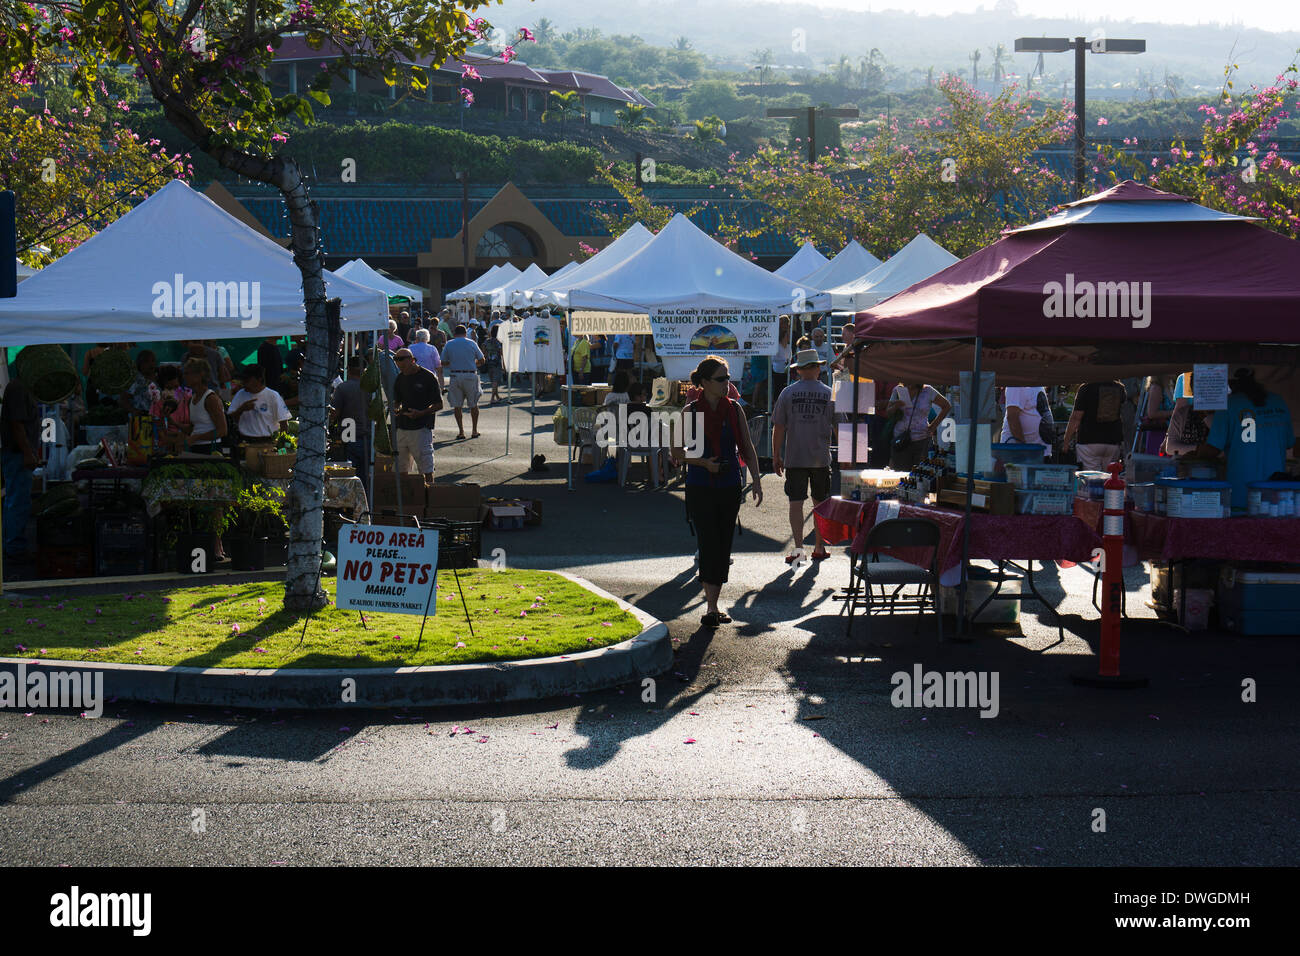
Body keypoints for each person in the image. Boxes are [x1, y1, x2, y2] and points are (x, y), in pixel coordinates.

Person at [673, 356, 764, 628]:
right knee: (708, 541)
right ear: (704, 383)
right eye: (721, 379)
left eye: (728, 378)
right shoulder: (689, 413)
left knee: (723, 543)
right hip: (701, 485)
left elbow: (746, 447)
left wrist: (757, 480)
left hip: (729, 485)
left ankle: (713, 606)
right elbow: (676, 453)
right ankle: (711, 606)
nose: (728, 383)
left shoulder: (734, 409)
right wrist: (702, 463)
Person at [1198, 368, 1299, 512]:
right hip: (1276, 495)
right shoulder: (1278, 401)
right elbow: (1289, 442)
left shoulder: (1228, 405)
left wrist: (1197, 452)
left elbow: (1212, 450)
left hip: (1241, 494)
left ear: (1230, 384)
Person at [773, 348, 836, 563]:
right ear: (818, 368)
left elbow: (779, 427)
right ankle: (819, 546)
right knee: (820, 503)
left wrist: (775, 455)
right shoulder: (829, 393)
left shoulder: (788, 393)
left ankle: (799, 548)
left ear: (798, 370)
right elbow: (842, 426)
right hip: (820, 457)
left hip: (795, 457)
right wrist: (847, 456)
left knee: (795, 502)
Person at [1, 369, 41, 561]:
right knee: (17, 500)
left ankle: (13, 544)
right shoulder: (18, 388)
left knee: (17, 499)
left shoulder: (23, 387)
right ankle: (14, 547)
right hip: (17, 454)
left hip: (20, 453)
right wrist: (27, 453)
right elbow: (17, 424)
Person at [392, 347, 442, 482]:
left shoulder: (428, 377)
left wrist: (421, 413)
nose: (399, 363)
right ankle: (407, 498)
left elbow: (439, 404)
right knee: (401, 468)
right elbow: (397, 401)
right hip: (402, 427)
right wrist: (395, 408)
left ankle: (429, 496)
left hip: (421, 428)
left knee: (426, 468)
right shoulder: (400, 378)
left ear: (412, 360)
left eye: (402, 360)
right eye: (396, 360)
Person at [887, 381, 951, 471]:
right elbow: (888, 413)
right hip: (900, 440)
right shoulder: (897, 390)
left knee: (920, 473)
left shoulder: (928, 390)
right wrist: (896, 405)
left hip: (922, 440)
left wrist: (933, 426)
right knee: (900, 474)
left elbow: (947, 406)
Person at [1063, 379, 1126, 470]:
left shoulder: (1086, 388)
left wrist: (1066, 442)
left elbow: (1076, 418)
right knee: (1109, 478)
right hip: (1113, 440)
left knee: (1091, 479)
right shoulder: (1120, 388)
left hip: (1089, 440)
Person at [330, 355, 372, 491]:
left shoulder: (343, 388)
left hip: (348, 432)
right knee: (364, 475)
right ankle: (364, 502)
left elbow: (335, 412)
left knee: (348, 474)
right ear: (364, 371)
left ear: (348, 370)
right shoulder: (371, 389)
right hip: (366, 433)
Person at [228, 363, 291, 451]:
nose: (244, 383)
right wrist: (242, 409)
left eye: (247, 380)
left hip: (268, 443)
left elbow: (284, 422)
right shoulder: (240, 394)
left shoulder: (272, 395)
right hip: (245, 443)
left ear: (259, 379)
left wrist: (282, 446)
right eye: (243, 380)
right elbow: (231, 418)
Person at [441, 324, 486, 439]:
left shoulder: (449, 344)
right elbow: (482, 359)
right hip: (470, 374)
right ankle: (474, 430)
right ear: (465, 333)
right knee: (473, 404)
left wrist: (453, 364)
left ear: (455, 334)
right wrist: (473, 363)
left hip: (455, 375)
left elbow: (443, 362)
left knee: (457, 405)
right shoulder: (471, 343)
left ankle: (461, 431)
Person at [180, 357, 228, 454]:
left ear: (199, 375)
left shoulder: (211, 399)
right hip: (195, 449)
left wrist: (197, 437)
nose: (184, 377)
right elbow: (195, 428)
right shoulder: (192, 399)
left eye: (187, 373)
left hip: (210, 449)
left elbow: (222, 431)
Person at [1001, 385, 1051, 458]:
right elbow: (1012, 418)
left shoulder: (1037, 384)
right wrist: (1024, 449)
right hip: (1019, 454)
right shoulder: (1017, 384)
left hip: (1038, 453)